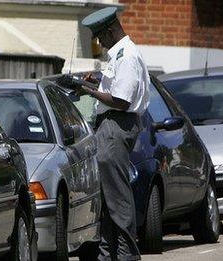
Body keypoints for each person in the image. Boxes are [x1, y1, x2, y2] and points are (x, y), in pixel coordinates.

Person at [80, 7, 150, 261]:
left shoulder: (127, 55)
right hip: (111, 125)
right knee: (108, 195)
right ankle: (108, 253)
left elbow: (121, 100)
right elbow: (117, 86)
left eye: (100, 36)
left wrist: (87, 90)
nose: (99, 42)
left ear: (110, 31)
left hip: (116, 125)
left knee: (117, 196)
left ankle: (126, 254)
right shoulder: (120, 54)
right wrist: (97, 80)